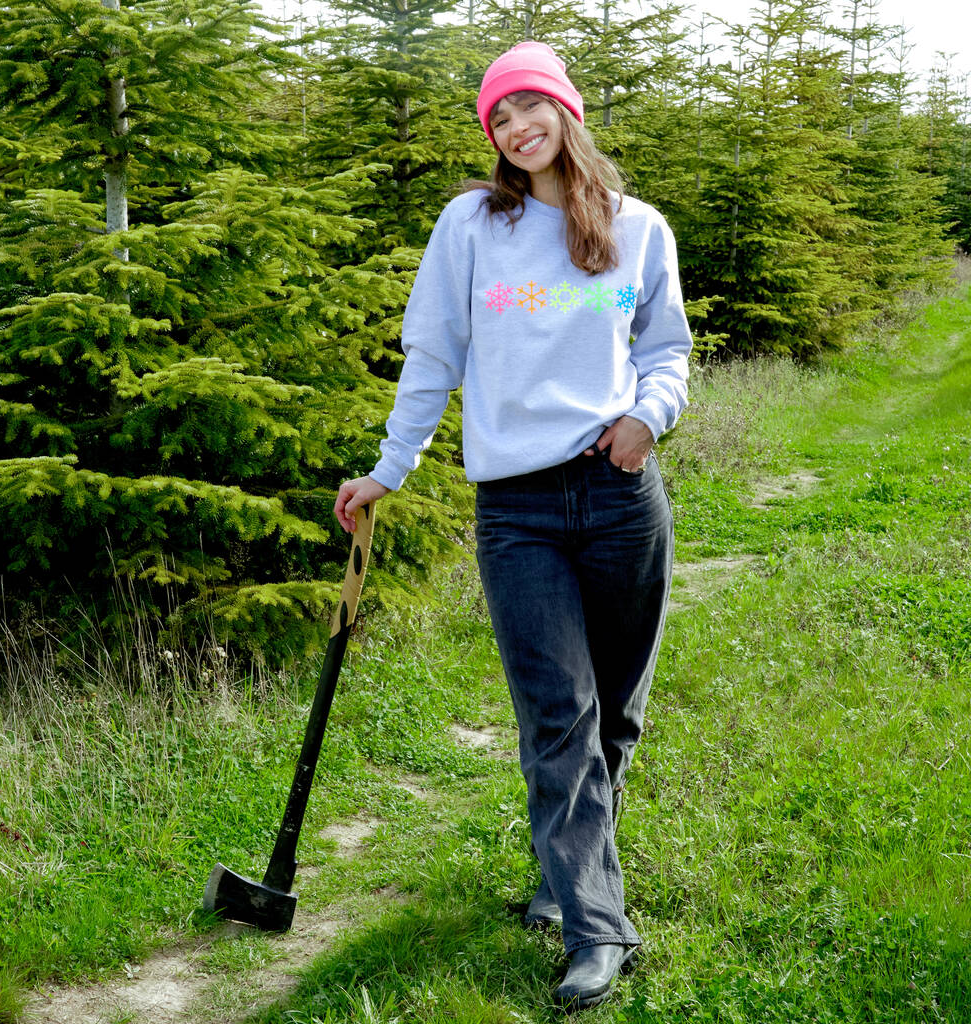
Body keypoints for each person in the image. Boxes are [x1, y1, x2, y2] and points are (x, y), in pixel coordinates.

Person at [334, 41, 692, 1010]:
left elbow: (665, 348)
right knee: (556, 716)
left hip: (620, 498)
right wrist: (387, 468)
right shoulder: (472, 224)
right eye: (499, 116)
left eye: (531, 107)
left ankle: (565, 877)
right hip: (519, 510)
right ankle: (596, 929)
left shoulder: (638, 227)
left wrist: (643, 419)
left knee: (614, 714)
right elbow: (431, 352)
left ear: (566, 114)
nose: (516, 127)